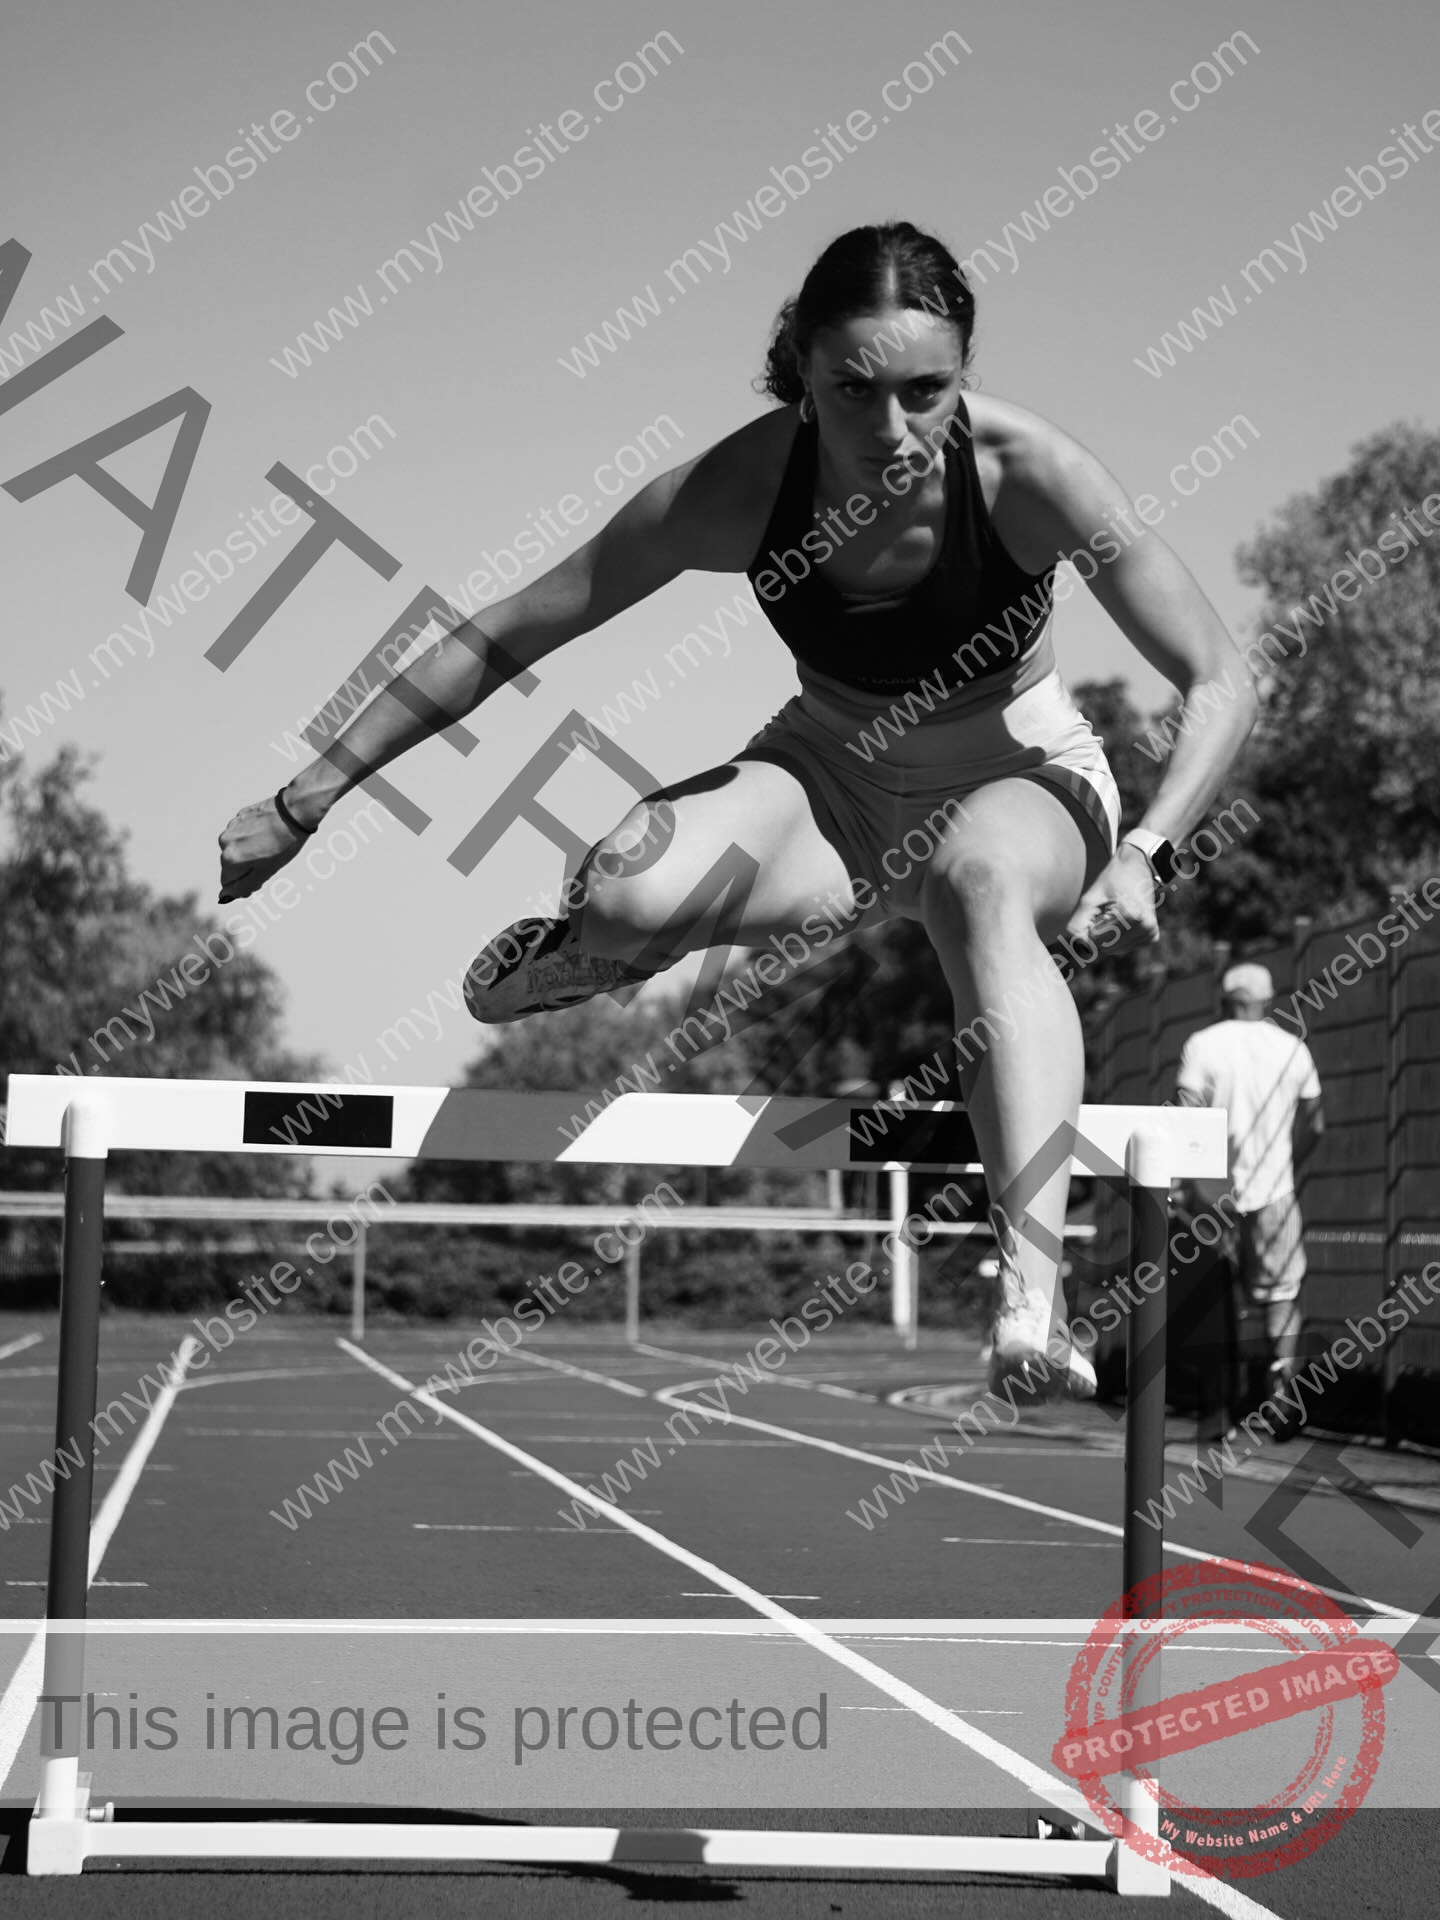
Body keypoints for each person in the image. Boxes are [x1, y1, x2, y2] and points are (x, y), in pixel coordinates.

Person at [219, 223, 1256, 1400]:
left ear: (966, 372)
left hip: (1021, 784)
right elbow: (508, 631)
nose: (895, 431)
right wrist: (308, 796)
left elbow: (1221, 675)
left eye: (929, 392)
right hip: (834, 781)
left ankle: (1033, 1298)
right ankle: (602, 948)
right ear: (801, 378)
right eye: (854, 392)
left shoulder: (1031, 476)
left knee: (978, 879)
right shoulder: (740, 489)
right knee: (627, 886)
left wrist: (1149, 855)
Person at [1176, 962, 1324, 1407]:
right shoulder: (1292, 1048)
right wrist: (1288, 1163)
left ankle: (1222, 1395)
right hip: (1275, 1191)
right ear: (1267, 999)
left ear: (1225, 999)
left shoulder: (1202, 1044)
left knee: (1218, 1293)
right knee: (1281, 1291)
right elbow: (1315, 1122)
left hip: (1210, 1193)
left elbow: (1188, 1111)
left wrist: (1181, 1183)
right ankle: (1280, 1373)